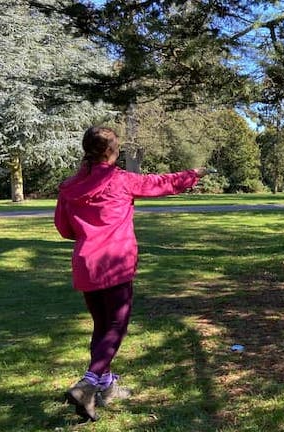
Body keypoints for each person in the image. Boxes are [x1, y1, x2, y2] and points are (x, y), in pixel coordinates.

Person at [54, 126, 209, 422]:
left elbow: (64, 229)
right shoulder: (121, 180)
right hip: (115, 263)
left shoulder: (69, 187)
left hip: (87, 264)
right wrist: (193, 174)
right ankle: (88, 383)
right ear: (113, 152)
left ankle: (107, 387)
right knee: (116, 326)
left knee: (102, 326)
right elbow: (160, 183)